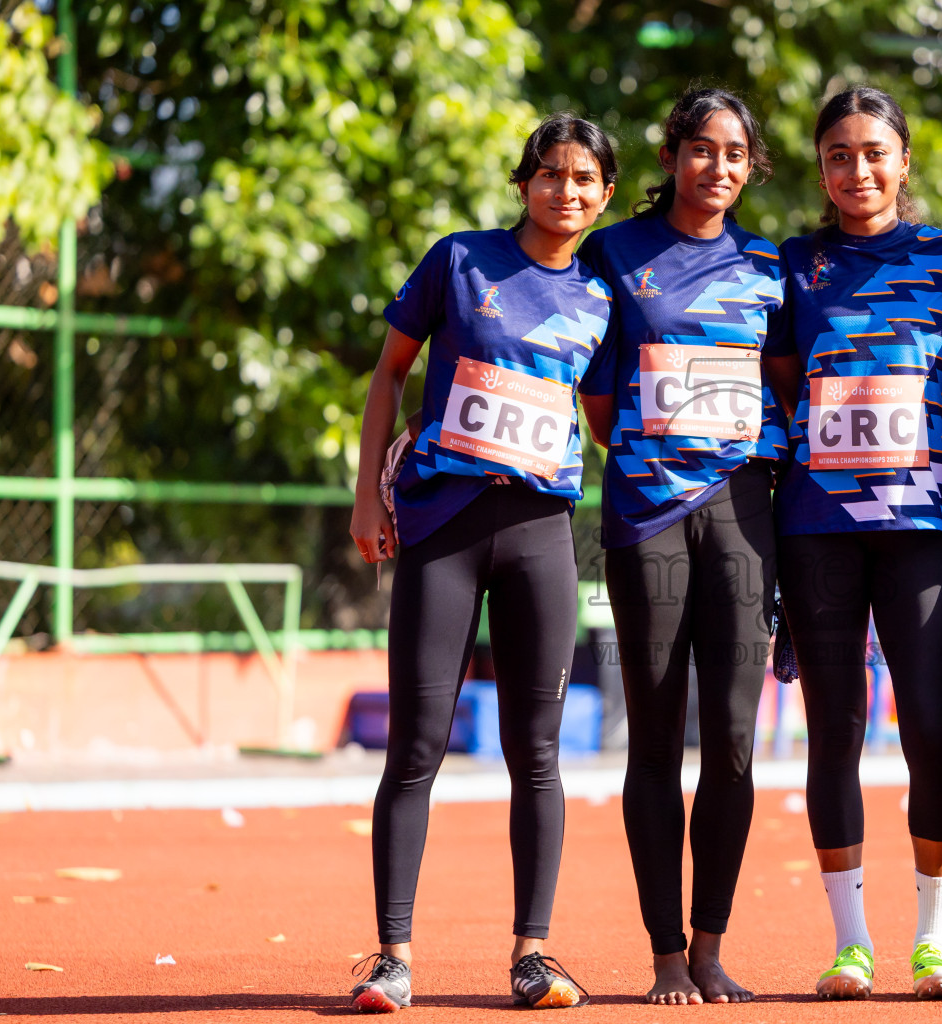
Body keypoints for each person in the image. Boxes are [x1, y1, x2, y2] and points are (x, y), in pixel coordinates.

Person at [346, 114, 618, 1012]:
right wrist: (364, 495)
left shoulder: (603, 295)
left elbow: (613, 417)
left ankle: (532, 955)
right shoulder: (460, 261)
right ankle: (392, 958)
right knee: (416, 747)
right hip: (441, 530)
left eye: (584, 179)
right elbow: (390, 372)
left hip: (541, 535)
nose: (565, 190)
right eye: (550, 173)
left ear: (605, 195)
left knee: (534, 752)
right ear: (524, 181)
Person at [761, 86, 942, 1002]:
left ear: (903, 161)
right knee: (835, 736)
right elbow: (777, 384)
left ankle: (934, 941)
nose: (859, 170)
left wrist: (910, 443)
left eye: (875, 153)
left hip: (923, 528)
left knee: (932, 732)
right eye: (840, 155)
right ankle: (851, 943)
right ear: (821, 168)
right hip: (818, 529)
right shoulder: (795, 262)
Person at [577, 86, 785, 1006]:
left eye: (736, 155)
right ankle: (664, 953)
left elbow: (782, 382)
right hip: (648, 515)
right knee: (655, 736)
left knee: (733, 743)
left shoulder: (769, 265)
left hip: (744, 511)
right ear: (669, 158)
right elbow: (594, 392)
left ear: (751, 167)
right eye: (702, 150)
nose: (719, 168)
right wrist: (650, 452)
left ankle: (710, 946)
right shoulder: (615, 253)